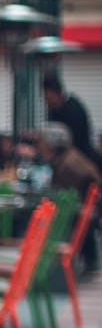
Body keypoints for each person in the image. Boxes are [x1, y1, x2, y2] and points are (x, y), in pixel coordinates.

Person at [38, 122, 101, 271]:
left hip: (84, 210)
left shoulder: (67, 164)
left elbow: (61, 192)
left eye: (42, 142)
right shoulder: (69, 156)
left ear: (51, 144)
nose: (40, 146)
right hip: (86, 207)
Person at [42, 72, 102, 171]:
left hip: (83, 160)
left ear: (57, 93)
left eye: (49, 98)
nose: (47, 102)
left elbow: (75, 143)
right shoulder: (53, 111)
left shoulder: (74, 109)